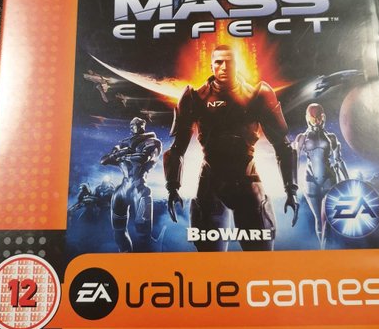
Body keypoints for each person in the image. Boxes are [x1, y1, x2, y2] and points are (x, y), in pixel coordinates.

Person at [164, 45, 298, 251]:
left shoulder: (258, 95)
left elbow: (283, 146)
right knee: (211, 262)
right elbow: (177, 149)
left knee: (261, 259)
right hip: (210, 183)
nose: (224, 67)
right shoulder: (195, 98)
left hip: (247, 182)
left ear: (237, 64)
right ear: (211, 66)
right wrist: (172, 187)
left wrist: (291, 189)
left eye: (230, 62)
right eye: (219, 62)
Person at [101, 117, 161, 252]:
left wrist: (123, 155)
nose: (137, 127)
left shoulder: (152, 142)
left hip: (139, 189)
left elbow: (142, 158)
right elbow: (104, 160)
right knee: (118, 231)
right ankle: (126, 257)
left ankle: (148, 260)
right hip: (122, 190)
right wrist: (120, 153)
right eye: (134, 125)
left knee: (143, 234)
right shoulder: (123, 144)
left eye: (139, 124)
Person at [294, 103, 349, 246]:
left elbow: (338, 161)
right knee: (319, 219)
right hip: (310, 180)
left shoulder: (331, 137)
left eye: (319, 117)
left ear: (323, 117)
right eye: (313, 118)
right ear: (308, 118)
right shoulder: (302, 138)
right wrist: (292, 187)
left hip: (329, 179)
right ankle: (323, 250)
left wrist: (348, 181)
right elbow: (295, 162)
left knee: (328, 219)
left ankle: (327, 248)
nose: (317, 121)